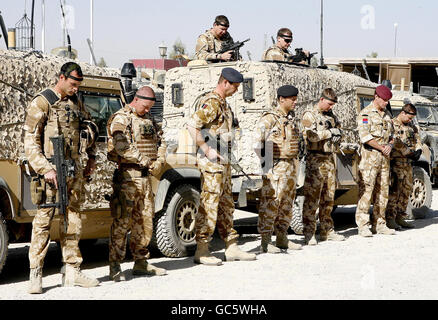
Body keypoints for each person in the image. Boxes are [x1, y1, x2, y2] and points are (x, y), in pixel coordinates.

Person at [24, 62, 99, 293]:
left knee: (74, 220)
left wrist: (91, 158)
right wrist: (45, 169)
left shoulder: (76, 102)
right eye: (73, 84)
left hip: (73, 170)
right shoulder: (43, 101)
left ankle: (72, 270)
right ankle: (35, 273)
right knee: (43, 222)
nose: (76, 88)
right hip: (50, 173)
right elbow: (29, 141)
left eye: (78, 85)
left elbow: (88, 125)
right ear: (62, 78)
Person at [187, 68, 256, 265]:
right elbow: (192, 125)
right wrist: (205, 148)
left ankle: (231, 246)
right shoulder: (212, 103)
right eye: (234, 87)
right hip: (211, 162)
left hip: (223, 160)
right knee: (209, 203)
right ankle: (202, 249)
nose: (236, 90)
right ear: (225, 83)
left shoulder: (224, 105)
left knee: (226, 204)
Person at [106, 86, 167, 281]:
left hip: (145, 178)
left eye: (150, 108)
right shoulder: (121, 118)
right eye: (146, 107)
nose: (148, 111)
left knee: (145, 221)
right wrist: (146, 161)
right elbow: (122, 146)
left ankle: (141, 262)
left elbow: (162, 140)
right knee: (122, 222)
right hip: (127, 178)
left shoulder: (148, 120)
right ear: (137, 100)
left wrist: (160, 161)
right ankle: (115, 265)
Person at [254, 85, 303, 253]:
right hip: (276, 166)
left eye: (296, 99)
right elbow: (257, 142)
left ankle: (282, 237)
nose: (295, 102)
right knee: (271, 203)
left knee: (287, 203)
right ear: (282, 99)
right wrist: (267, 165)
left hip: (290, 165)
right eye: (293, 99)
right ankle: (266, 241)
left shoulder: (289, 118)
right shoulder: (270, 118)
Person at [301, 88, 346, 245]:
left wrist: (338, 134)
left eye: (333, 105)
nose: (331, 107)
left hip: (329, 159)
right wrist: (329, 133)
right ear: (321, 100)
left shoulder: (332, 117)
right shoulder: (309, 115)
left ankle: (327, 230)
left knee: (328, 198)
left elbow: (340, 131)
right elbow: (310, 136)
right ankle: (309, 233)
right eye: (329, 104)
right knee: (312, 199)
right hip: (315, 161)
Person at [356, 85, 395, 237]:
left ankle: (380, 224)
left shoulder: (387, 116)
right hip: (370, 159)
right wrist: (380, 147)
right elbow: (365, 136)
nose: (386, 103)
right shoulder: (365, 114)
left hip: (384, 160)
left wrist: (390, 145)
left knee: (383, 192)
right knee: (366, 192)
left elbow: (393, 135)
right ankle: (363, 225)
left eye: (387, 100)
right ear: (376, 97)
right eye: (384, 100)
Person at [386, 103, 422, 230]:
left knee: (406, 191)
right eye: (409, 118)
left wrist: (418, 150)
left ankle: (400, 217)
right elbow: (394, 142)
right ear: (403, 113)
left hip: (408, 164)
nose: (410, 120)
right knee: (394, 191)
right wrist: (409, 152)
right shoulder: (392, 124)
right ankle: (390, 218)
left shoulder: (411, 126)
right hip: (396, 163)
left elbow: (417, 138)